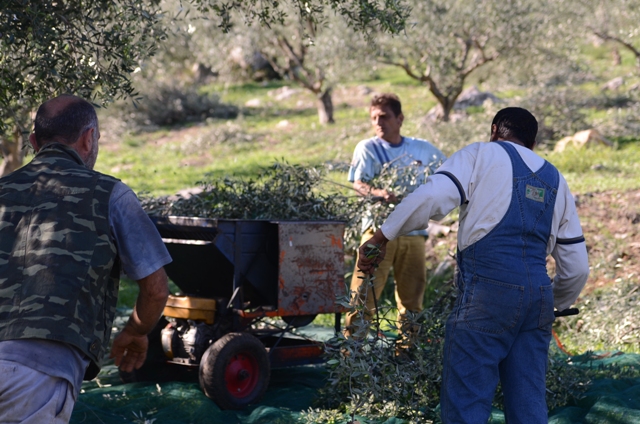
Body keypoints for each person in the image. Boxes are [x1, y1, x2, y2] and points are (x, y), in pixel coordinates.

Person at [357, 107, 589, 422]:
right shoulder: (556, 180)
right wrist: (555, 305)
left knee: (467, 403)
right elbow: (576, 267)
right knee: (529, 403)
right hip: (538, 299)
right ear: (533, 143)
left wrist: (380, 238)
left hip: (488, 294)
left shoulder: (481, 154)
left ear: (495, 130)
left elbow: (431, 198)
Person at [0, 94, 172, 423]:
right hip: (38, 369)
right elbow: (156, 290)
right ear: (89, 138)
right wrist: (135, 331)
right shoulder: (111, 195)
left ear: (34, 141)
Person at [345, 93, 446, 338]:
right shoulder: (368, 148)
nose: (379, 122)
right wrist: (379, 192)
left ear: (399, 119)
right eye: (374, 118)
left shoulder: (421, 148)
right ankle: (352, 356)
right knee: (363, 295)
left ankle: (407, 355)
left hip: (413, 233)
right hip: (377, 231)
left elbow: (447, 173)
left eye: (385, 117)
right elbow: (358, 184)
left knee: (412, 300)